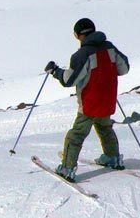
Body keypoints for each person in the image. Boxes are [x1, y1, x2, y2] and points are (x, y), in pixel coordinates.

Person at [44, 18, 130, 182]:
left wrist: (55, 71)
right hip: (108, 98)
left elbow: (69, 80)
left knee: (76, 135)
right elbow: (124, 68)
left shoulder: (82, 54)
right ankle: (112, 157)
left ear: (77, 35)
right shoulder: (110, 47)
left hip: (90, 101)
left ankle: (67, 168)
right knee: (104, 127)